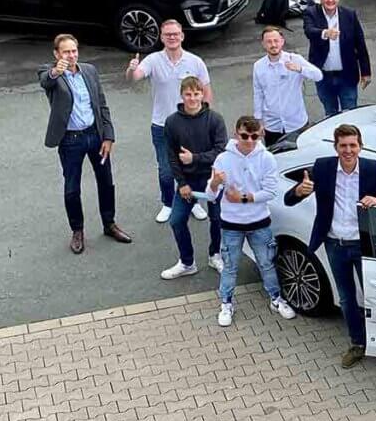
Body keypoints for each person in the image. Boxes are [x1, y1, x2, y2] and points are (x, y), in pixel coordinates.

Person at [284, 123, 376, 374]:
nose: (348, 150)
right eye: (343, 146)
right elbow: (289, 199)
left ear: (360, 146)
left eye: (353, 145)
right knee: (346, 298)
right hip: (335, 244)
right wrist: (300, 190)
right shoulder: (323, 168)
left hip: (365, 245)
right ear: (336, 147)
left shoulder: (373, 170)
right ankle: (358, 344)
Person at [39, 33, 132, 254]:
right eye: (66, 52)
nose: (71, 55)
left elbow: (101, 104)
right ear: (56, 54)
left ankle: (109, 224)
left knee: (106, 182)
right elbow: (46, 80)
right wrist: (56, 71)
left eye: (74, 51)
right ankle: (77, 231)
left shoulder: (89, 71)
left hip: (95, 136)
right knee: (72, 188)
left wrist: (108, 136)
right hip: (70, 140)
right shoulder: (51, 73)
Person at [207, 116, 294, 327]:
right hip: (231, 223)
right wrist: (215, 183)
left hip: (259, 221)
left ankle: (276, 298)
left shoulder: (267, 158)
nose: (249, 140)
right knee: (230, 266)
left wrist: (243, 198)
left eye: (254, 136)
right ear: (236, 133)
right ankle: (226, 303)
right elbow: (211, 196)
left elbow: (271, 191)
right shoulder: (223, 160)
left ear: (260, 135)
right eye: (244, 136)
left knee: (266, 263)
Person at [125, 19, 213, 223]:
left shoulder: (195, 61)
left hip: (191, 124)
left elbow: (207, 90)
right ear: (162, 37)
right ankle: (167, 202)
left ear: (182, 36)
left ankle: (194, 201)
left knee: (192, 166)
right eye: (167, 35)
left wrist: (205, 119)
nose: (172, 38)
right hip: (162, 125)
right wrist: (131, 69)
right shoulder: (153, 60)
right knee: (165, 169)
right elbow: (134, 78)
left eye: (175, 34)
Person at [160, 77, 227, 280]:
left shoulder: (215, 119)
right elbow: (171, 157)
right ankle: (187, 262)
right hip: (187, 182)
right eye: (188, 94)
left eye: (196, 94)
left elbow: (220, 152)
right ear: (182, 95)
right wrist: (181, 183)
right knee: (177, 220)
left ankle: (215, 254)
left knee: (217, 219)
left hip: (212, 180)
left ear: (202, 95)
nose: (192, 99)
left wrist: (194, 158)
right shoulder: (172, 122)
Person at [302, 0, 371, 116]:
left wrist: (366, 72)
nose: (330, 0)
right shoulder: (311, 13)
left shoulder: (349, 15)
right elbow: (309, 31)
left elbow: (360, 44)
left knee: (350, 114)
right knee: (330, 114)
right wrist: (325, 33)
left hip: (347, 75)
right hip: (324, 77)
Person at [253, 26, 324, 147]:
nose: (273, 44)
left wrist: (300, 69)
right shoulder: (258, 66)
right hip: (272, 126)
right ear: (263, 44)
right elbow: (258, 93)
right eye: (269, 42)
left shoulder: (295, 59)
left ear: (282, 41)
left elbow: (318, 75)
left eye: (276, 40)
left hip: (296, 123)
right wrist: (258, 120)